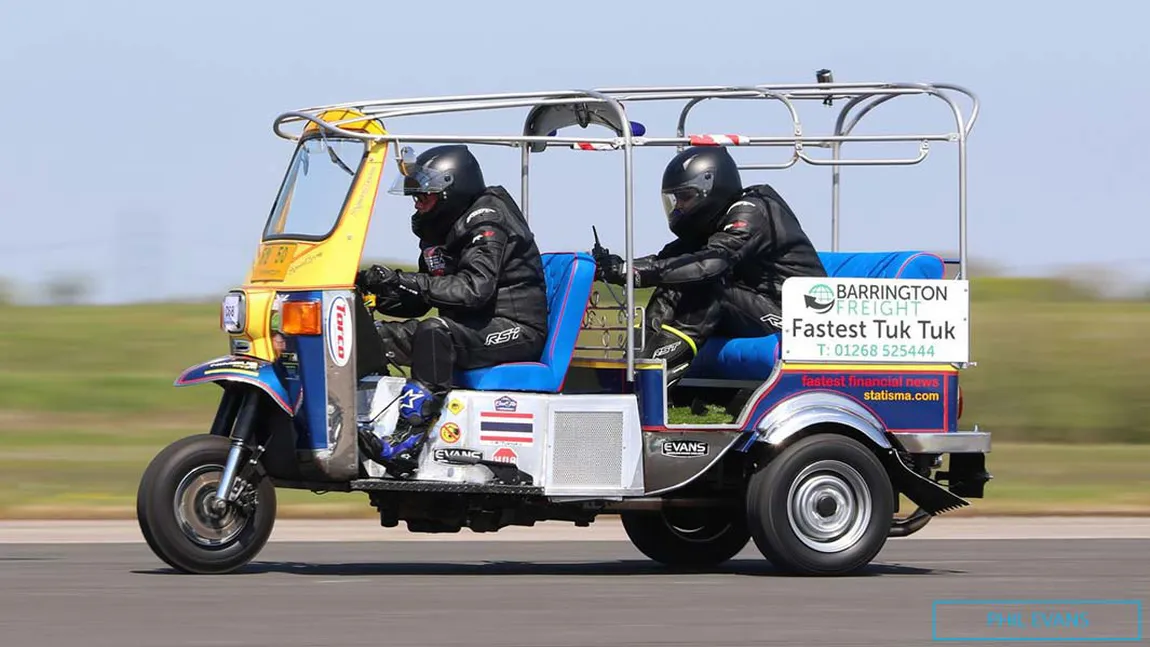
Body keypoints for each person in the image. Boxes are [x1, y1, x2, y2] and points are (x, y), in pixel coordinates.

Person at [355, 144, 549, 477]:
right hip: (471, 327)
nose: (418, 204)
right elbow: (422, 298)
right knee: (374, 337)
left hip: (515, 328)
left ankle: (407, 443)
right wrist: (373, 291)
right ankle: (356, 426)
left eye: (425, 196)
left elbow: (474, 290)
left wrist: (404, 280)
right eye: (415, 197)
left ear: (450, 190)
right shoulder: (440, 229)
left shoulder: (487, 221)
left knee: (434, 331)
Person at [595, 145, 827, 386]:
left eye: (686, 197)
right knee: (675, 279)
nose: (678, 207)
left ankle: (657, 379)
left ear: (711, 187)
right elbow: (668, 261)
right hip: (756, 308)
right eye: (675, 199)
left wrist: (635, 273)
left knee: (708, 283)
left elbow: (711, 264)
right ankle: (633, 369)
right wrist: (619, 269)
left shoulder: (752, 212)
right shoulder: (716, 220)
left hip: (795, 318)